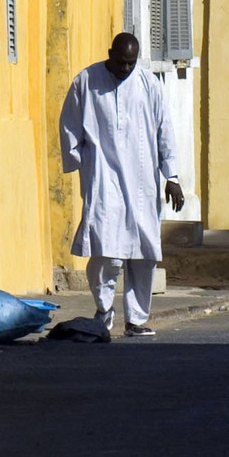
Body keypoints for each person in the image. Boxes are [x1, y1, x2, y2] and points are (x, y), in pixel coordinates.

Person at [59, 31, 184, 340]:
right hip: (103, 179)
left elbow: (164, 131)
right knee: (105, 250)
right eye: (120, 62)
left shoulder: (148, 85)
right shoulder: (85, 82)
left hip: (142, 181)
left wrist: (172, 177)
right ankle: (103, 312)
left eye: (130, 63)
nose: (125, 69)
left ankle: (137, 319)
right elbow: (69, 127)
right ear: (109, 54)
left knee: (143, 253)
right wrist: (81, 162)